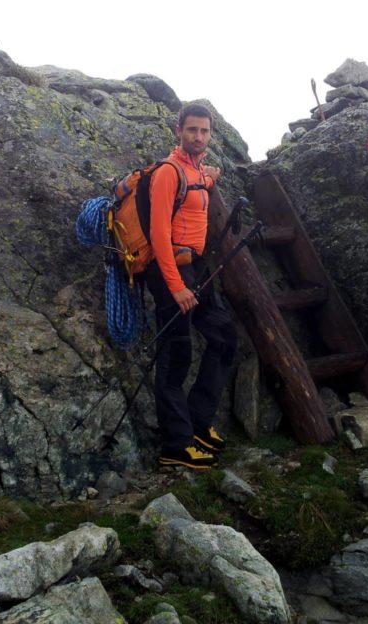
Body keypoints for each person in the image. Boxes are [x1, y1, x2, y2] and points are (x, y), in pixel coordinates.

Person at [146, 103, 238, 470]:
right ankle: (176, 446)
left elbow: (199, 188)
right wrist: (175, 287)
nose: (198, 136)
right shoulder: (168, 173)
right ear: (178, 130)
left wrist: (211, 176)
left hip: (196, 268)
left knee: (224, 338)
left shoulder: (196, 169)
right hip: (170, 272)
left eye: (204, 131)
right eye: (192, 130)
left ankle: (199, 423)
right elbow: (158, 235)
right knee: (176, 357)